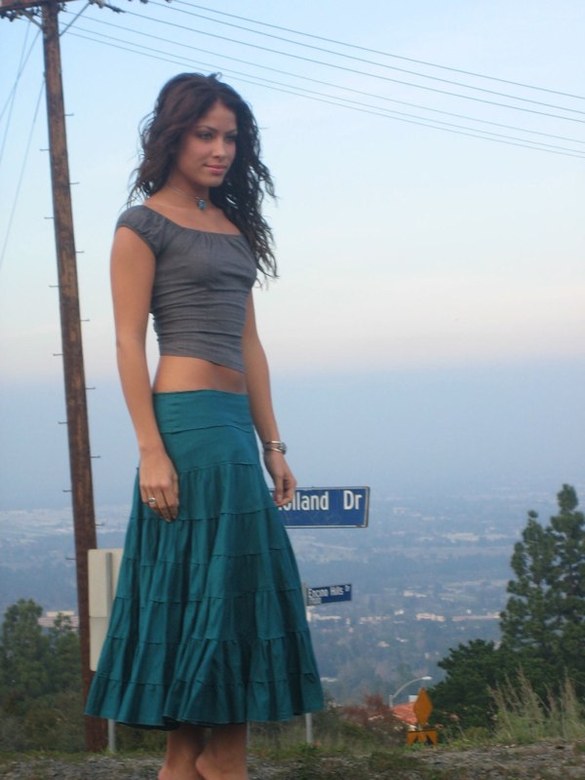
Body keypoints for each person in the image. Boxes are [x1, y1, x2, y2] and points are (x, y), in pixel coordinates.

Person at [85, 73, 324, 780]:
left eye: (230, 138)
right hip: (184, 426)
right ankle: (225, 763)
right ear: (173, 136)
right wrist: (150, 450)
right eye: (205, 135)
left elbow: (250, 345)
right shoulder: (141, 225)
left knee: (221, 594)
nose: (220, 150)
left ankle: (187, 763)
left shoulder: (235, 228)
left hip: (232, 428)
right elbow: (127, 342)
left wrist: (273, 444)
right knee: (214, 592)